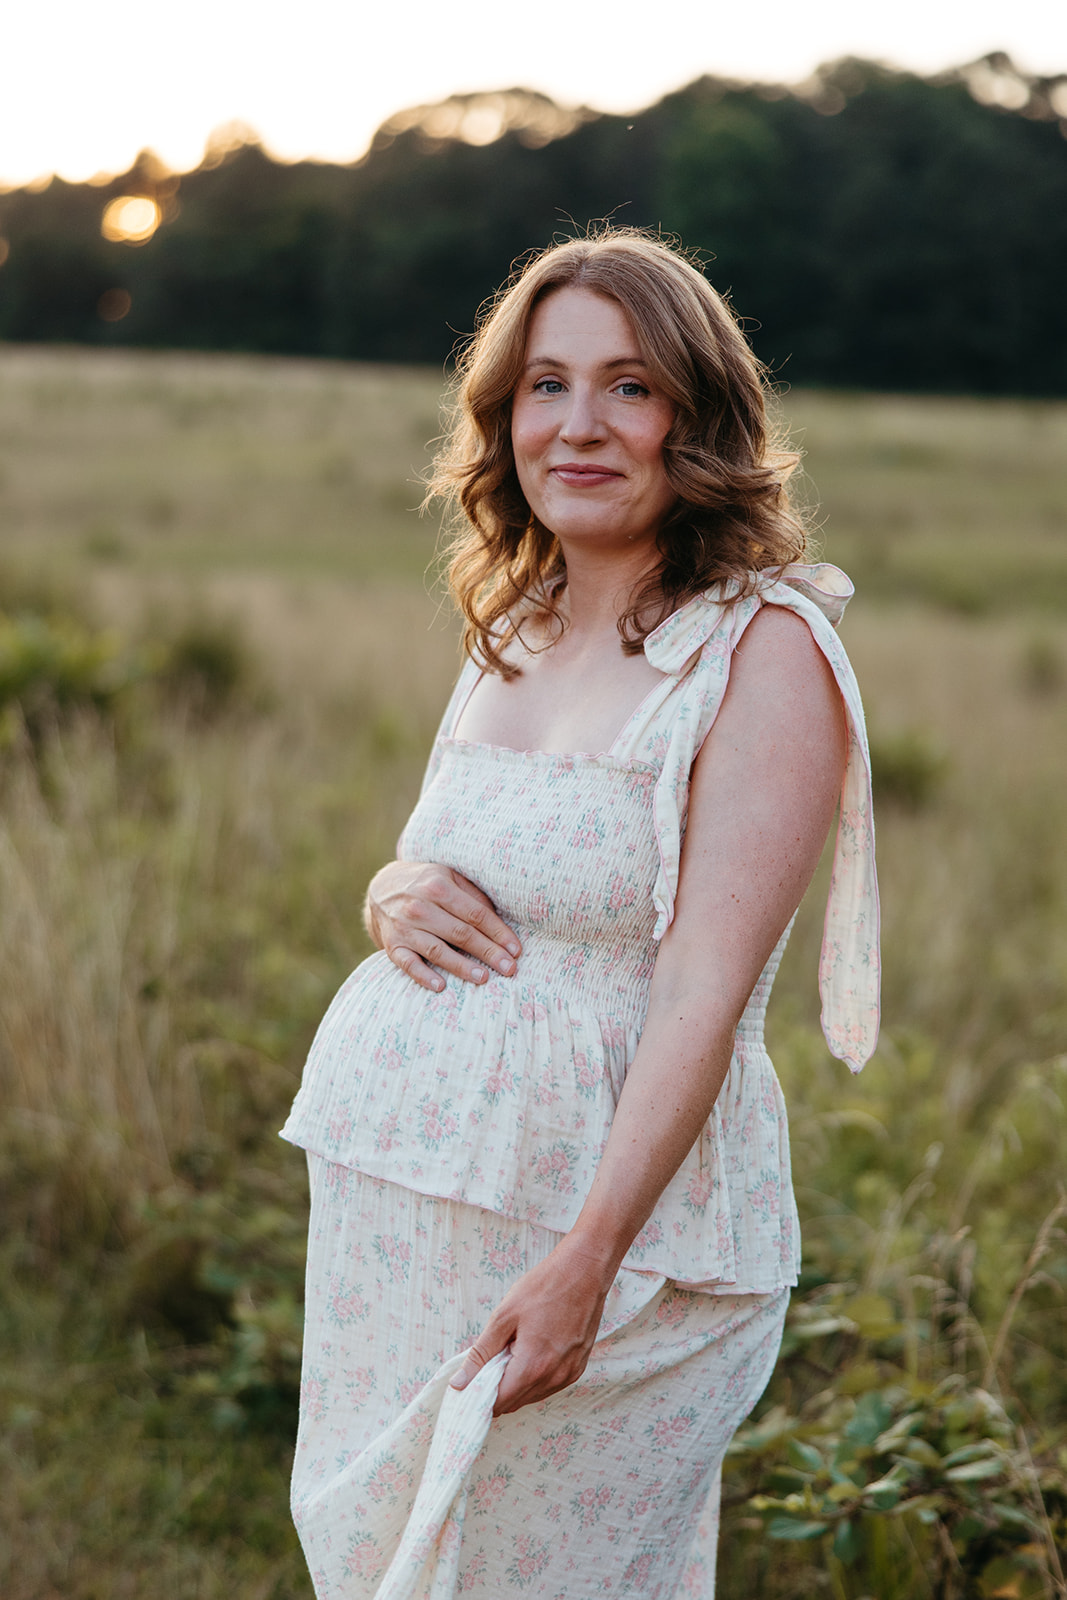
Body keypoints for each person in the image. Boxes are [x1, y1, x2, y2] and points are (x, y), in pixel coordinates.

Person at [281, 229, 879, 1599]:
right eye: (546, 386)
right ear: (503, 420)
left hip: (610, 1242)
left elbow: (703, 993)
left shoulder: (761, 648)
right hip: (409, 1206)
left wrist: (585, 1266)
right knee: (397, 1570)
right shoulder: (518, 613)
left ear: (700, 417)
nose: (581, 425)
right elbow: (477, 862)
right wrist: (390, 889)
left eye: (630, 386)